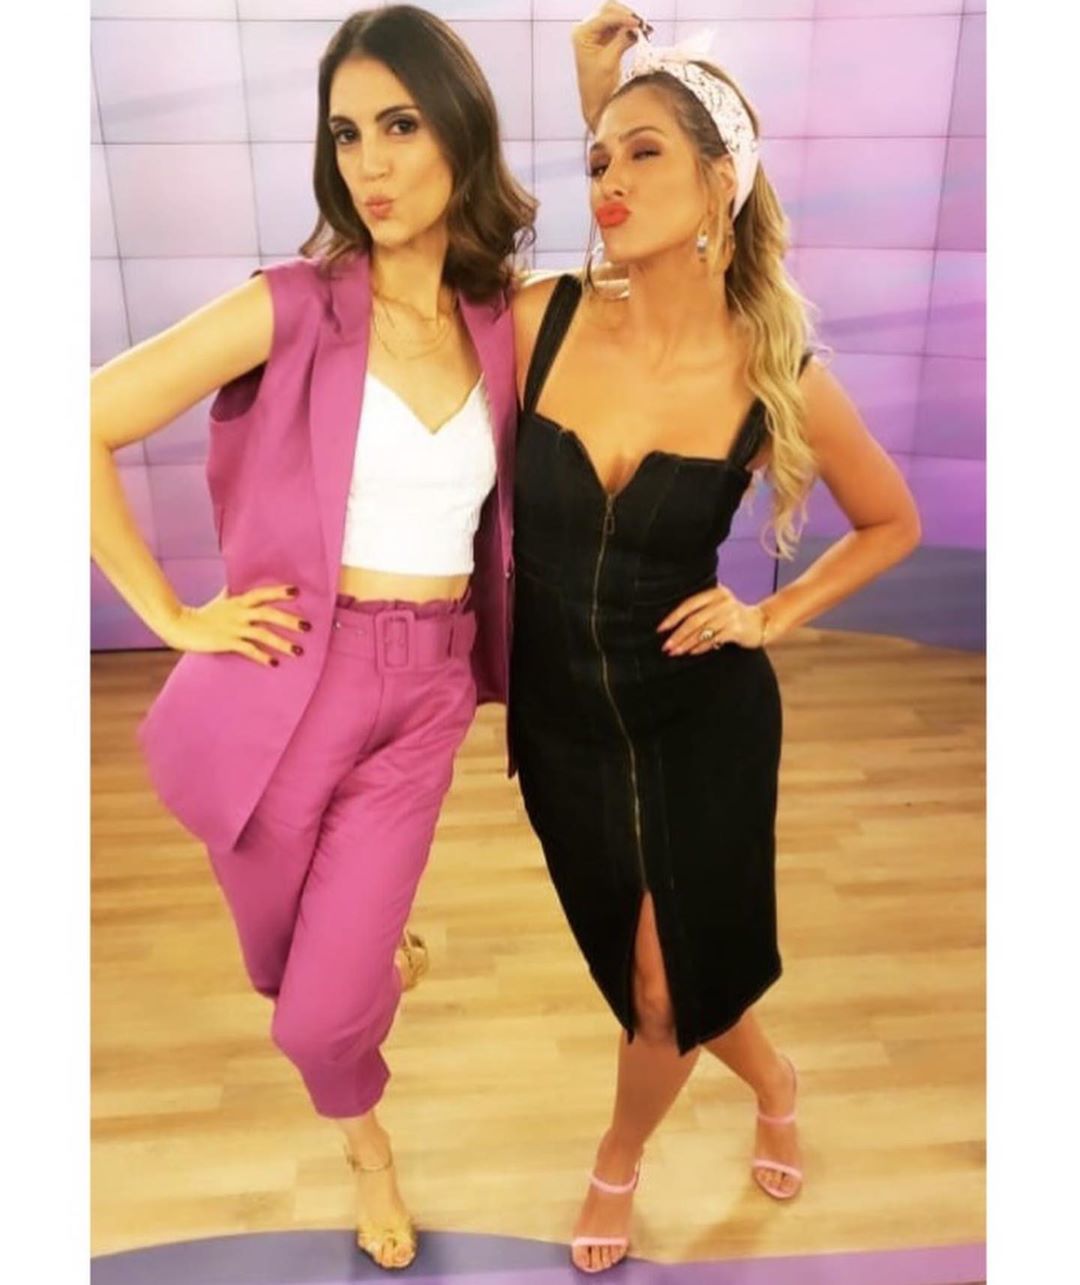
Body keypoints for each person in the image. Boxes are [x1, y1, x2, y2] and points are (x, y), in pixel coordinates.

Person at [90, 6, 535, 1270]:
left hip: (429, 686)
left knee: (315, 1017)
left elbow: (653, 271)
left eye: (400, 125)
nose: (371, 164)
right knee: (290, 977)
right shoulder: (288, 306)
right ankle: (368, 984)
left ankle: (368, 1153)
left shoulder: (504, 320)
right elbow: (78, 421)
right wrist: (170, 615)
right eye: (346, 134)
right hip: (287, 684)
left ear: (460, 132)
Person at [509, 6, 922, 1273]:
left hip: (701, 718)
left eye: (645, 157)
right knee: (670, 979)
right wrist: (613, 107)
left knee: (658, 992)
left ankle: (616, 1162)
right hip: (563, 723)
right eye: (599, 159)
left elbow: (891, 521)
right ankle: (775, 1074)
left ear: (721, 186)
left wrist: (770, 614)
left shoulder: (774, 369)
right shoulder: (539, 319)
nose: (610, 179)